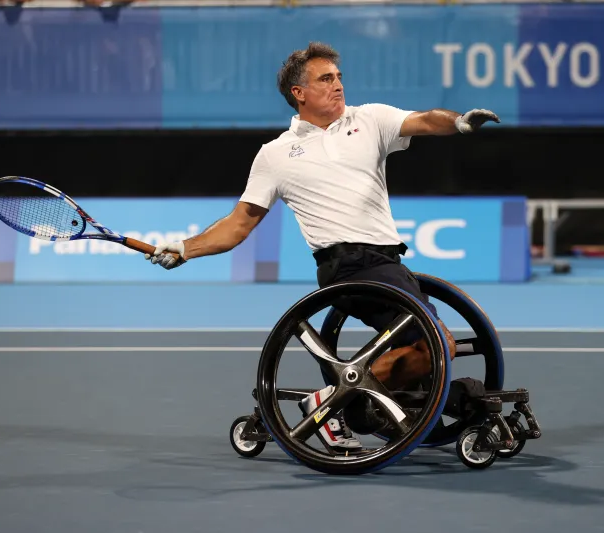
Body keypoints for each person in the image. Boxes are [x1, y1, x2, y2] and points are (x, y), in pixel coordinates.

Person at [146, 42, 500, 451]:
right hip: (348, 266)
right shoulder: (275, 155)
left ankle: (418, 402)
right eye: (326, 79)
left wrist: (458, 122)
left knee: (425, 354)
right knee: (440, 344)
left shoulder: (369, 119)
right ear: (299, 92)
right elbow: (238, 224)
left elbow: (424, 120)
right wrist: (186, 248)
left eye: (339, 77)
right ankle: (332, 403)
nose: (338, 85)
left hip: (388, 263)